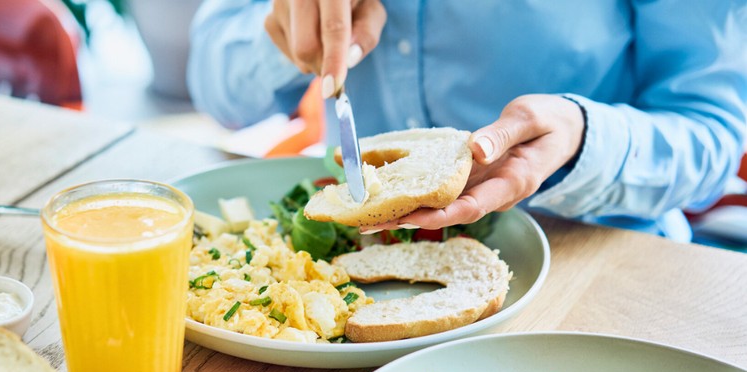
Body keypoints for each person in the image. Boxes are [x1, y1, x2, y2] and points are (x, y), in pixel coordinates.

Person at [187, 0, 747, 241]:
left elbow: (712, 131)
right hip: (359, 265)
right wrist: (291, 26)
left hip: (598, 269)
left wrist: (583, 140)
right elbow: (215, 87)